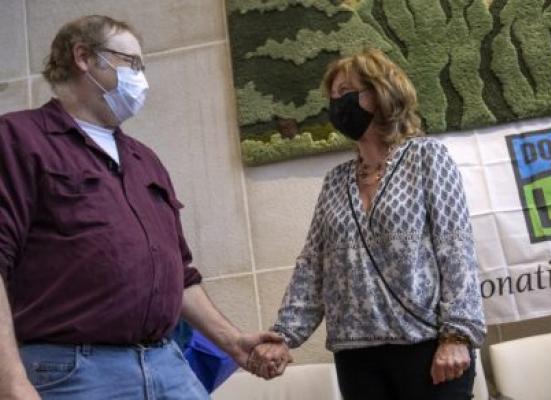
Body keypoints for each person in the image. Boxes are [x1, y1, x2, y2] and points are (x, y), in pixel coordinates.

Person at [0, 15, 281, 400]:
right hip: (73, 373)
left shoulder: (144, 160)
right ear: (83, 56)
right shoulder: (18, 138)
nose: (141, 79)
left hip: (167, 364)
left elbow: (179, 276)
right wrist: (11, 381)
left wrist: (233, 341)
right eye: (131, 63)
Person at [249, 49, 486, 399]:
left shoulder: (426, 157)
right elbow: (313, 266)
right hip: (356, 358)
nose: (336, 104)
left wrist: (457, 336)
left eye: (345, 91)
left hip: (428, 350)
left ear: (380, 94)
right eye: (331, 98)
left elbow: (456, 247)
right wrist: (284, 336)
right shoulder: (335, 181)